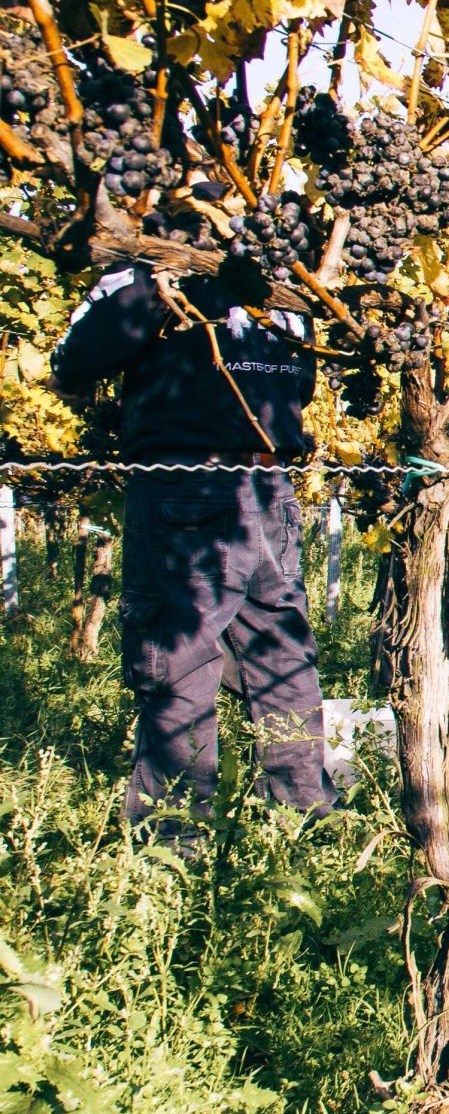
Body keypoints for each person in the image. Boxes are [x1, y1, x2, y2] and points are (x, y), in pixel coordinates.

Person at [51, 258, 335, 839]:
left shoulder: (159, 268)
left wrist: (139, 293)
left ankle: (173, 840)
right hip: (269, 483)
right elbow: (302, 383)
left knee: (178, 651)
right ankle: (303, 819)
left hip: (186, 488)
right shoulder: (280, 274)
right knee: (279, 650)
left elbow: (82, 359)